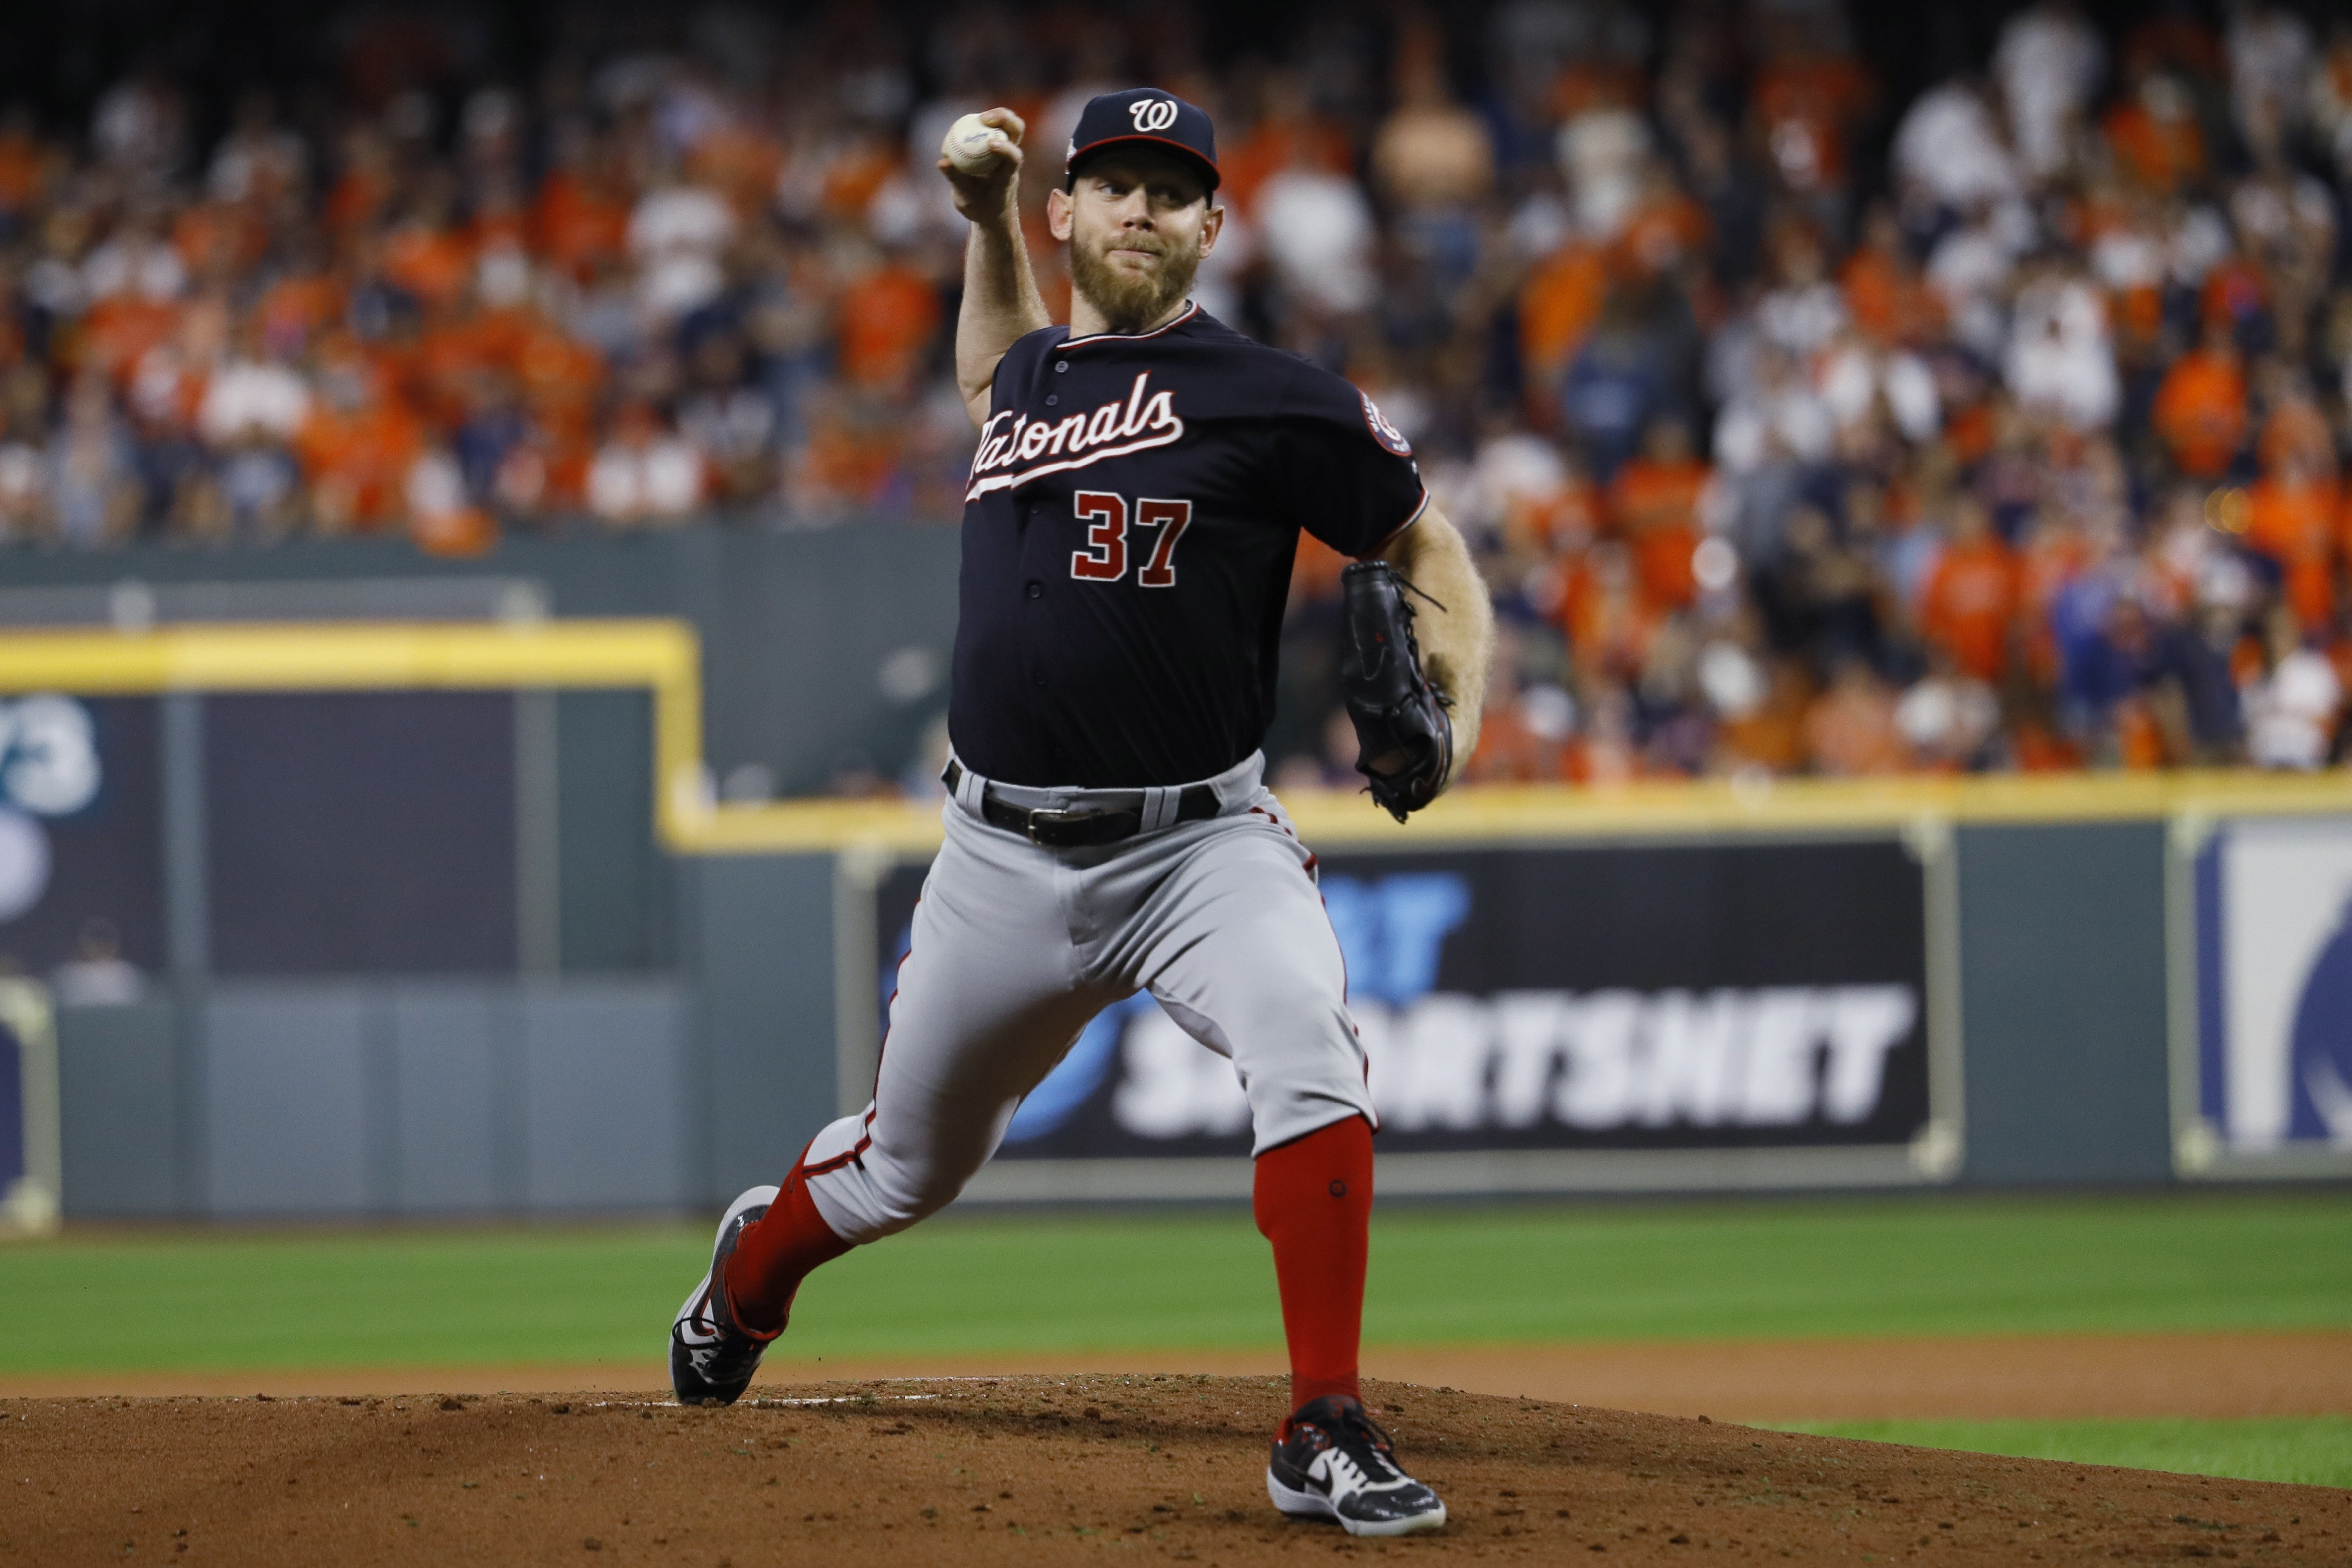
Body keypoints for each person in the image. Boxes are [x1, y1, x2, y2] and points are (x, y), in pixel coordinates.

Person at [665, 90, 1493, 1539]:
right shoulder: (1035, 372)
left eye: (1171, 190)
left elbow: (1427, 532)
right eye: (1111, 183)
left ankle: (1323, 1420)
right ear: (1067, 216)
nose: (1139, 208)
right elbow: (990, 363)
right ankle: (750, 1279)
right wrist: (983, 219)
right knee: (902, 1170)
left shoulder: (1274, 393)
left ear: (1211, 225)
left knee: (1310, 1042)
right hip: (997, 854)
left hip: (1199, 847)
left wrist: (1462, 712)